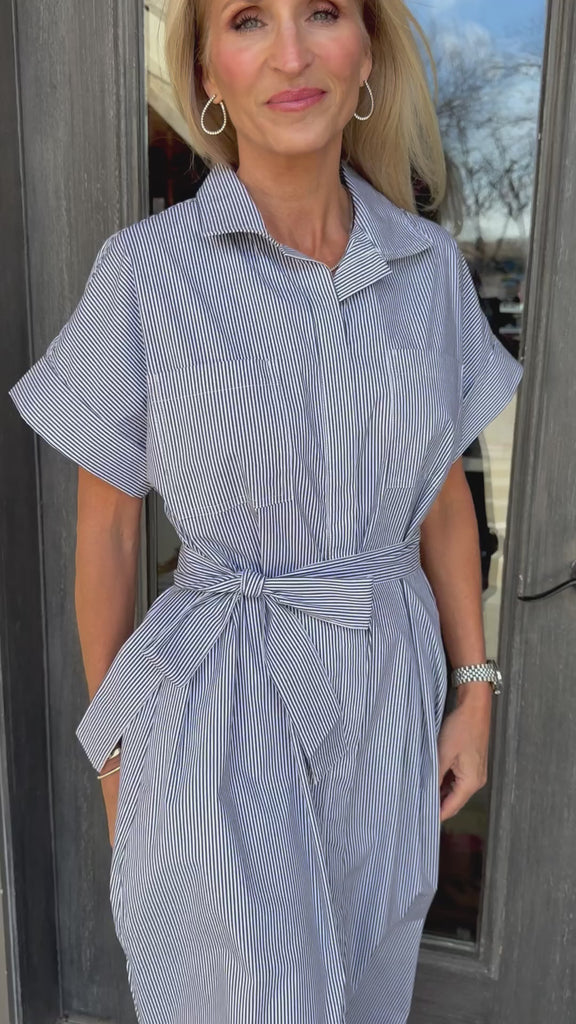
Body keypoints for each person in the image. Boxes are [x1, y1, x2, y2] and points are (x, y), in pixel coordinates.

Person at [7, 0, 524, 1020]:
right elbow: (107, 534)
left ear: (366, 50)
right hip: (216, 704)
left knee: (367, 990)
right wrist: (117, 757)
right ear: (206, 72)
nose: (291, 53)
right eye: (248, 19)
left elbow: (442, 500)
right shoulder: (146, 273)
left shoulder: (426, 271)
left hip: (387, 694)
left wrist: (475, 691)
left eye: (322, 12)